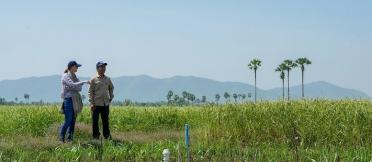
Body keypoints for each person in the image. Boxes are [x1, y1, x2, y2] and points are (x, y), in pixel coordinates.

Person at [59, 61, 89, 143]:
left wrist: (75, 86)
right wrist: (83, 82)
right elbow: (73, 85)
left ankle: (70, 139)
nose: (77, 68)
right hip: (68, 100)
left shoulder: (74, 76)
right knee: (68, 120)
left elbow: (79, 88)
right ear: (72, 67)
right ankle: (61, 138)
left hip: (75, 100)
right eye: (76, 66)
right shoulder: (65, 76)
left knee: (73, 120)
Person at [88, 61, 114, 139]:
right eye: (101, 67)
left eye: (104, 67)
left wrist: (111, 96)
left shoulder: (108, 79)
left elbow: (111, 88)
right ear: (97, 69)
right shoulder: (93, 79)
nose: (103, 68)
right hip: (96, 104)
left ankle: (107, 136)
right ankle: (96, 136)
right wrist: (91, 103)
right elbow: (90, 92)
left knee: (105, 121)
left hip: (105, 103)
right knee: (95, 121)